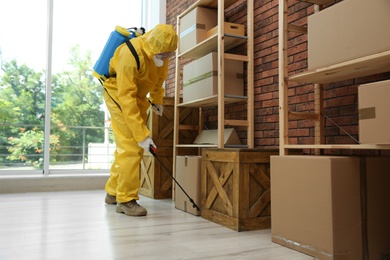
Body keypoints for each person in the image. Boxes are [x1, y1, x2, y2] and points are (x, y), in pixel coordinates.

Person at [102, 24, 178, 216]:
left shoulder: (161, 53)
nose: (166, 58)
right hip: (118, 93)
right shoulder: (129, 54)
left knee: (129, 146)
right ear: (154, 46)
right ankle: (126, 199)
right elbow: (126, 97)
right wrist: (142, 135)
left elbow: (159, 80)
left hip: (139, 97)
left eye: (169, 55)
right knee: (131, 146)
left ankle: (113, 192)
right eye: (164, 54)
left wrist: (158, 100)